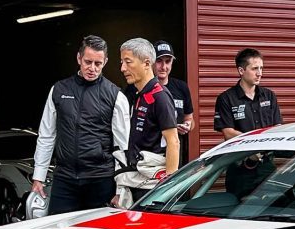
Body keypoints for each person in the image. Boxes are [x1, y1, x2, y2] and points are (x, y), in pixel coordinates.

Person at [30, 35, 129, 215]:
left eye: (98, 64)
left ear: (105, 62)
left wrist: (121, 188)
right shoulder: (59, 90)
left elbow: (123, 146)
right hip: (64, 179)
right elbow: (46, 135)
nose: (92, 68)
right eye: (87, 62)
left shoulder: (115, 95)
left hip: (100, 180)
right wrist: (39, 177)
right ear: (78, 58)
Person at [116, 38, 179, 205]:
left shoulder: (159, 96)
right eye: (122, 62)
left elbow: (173, 142)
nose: (123, 68)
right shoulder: (140, 94)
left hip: (152, 186)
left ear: (146, 63)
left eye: (128, 62)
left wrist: (168, 186)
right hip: (137, 180)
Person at [213, 47, 283, 198]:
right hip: (239, 168)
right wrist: (253, 148)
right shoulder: (226, 98)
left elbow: (277, 128)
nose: (260, 73)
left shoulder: (269, 96)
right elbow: (228, 132)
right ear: (241, 70)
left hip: (267, 165)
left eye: (261, 68)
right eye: (255, 68)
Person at [152, 40, 194, 167]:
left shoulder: (181, 87)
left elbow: (190, 119)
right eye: (159, 61)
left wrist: (187, 126)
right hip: (149, 156)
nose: (164, 67)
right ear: (150, 62)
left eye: (168, 61)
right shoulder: (140, 87)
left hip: (174, 155)